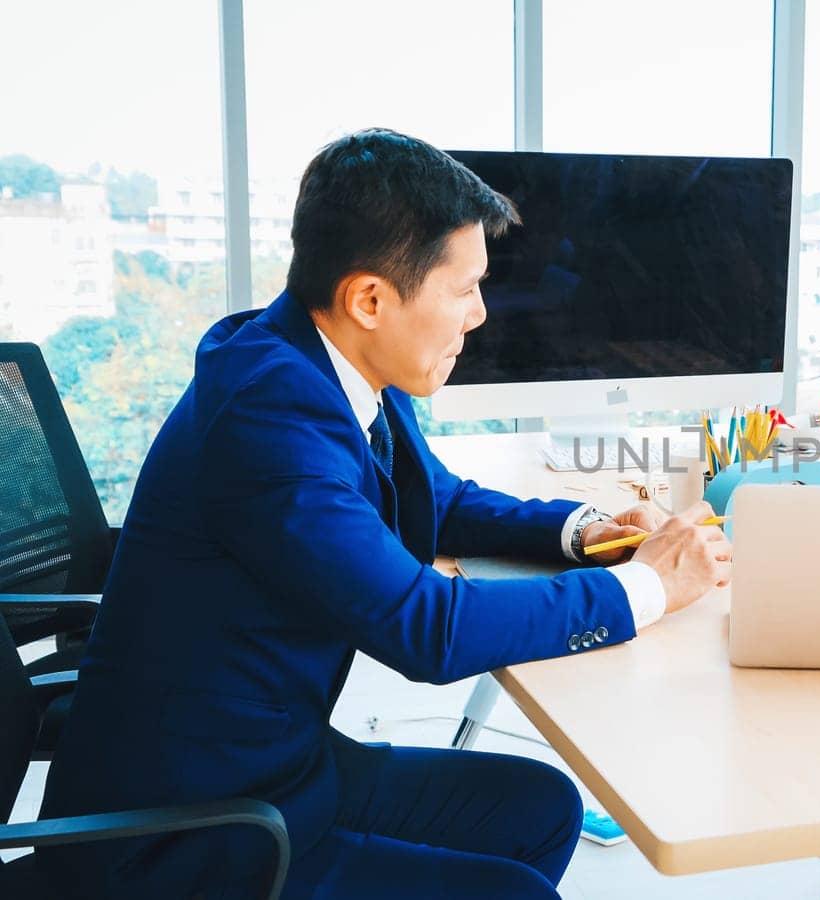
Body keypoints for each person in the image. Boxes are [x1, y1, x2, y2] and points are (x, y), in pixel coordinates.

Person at [37, 128, 732, 899]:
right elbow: (424, 629)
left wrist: (581, 532)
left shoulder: (325, 362)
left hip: (279, 764)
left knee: (540, 808)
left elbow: (437, 498)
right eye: (463, 289)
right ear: (370, 298)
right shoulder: (269, 414)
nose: (479, 315)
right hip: (187, 833)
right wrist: (649, 590)